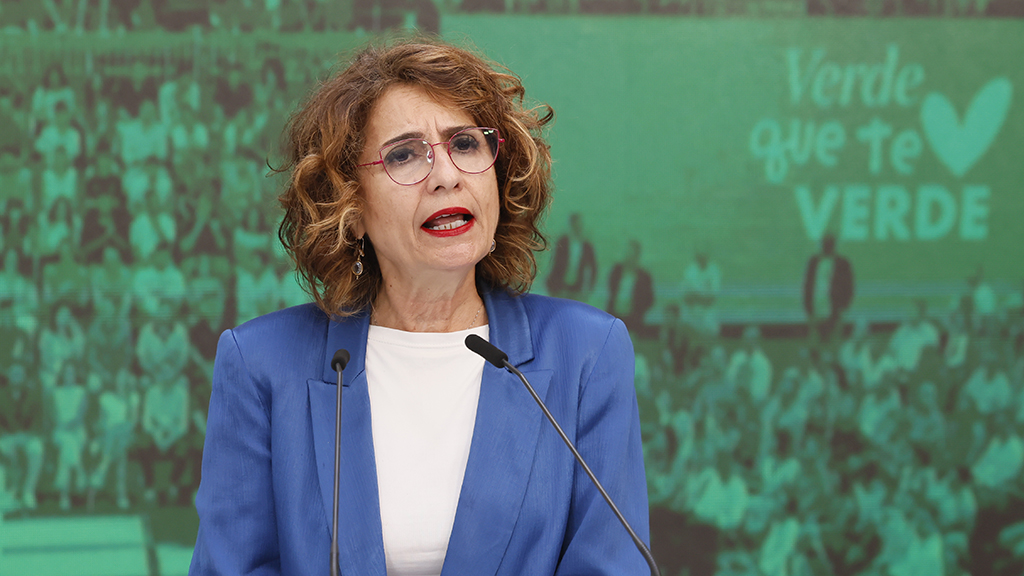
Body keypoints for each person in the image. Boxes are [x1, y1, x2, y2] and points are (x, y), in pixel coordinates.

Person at [190, 38, 650, 576]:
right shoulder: (261, 365)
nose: (446, 175)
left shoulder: (587, 354)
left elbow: (610, 564)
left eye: (466, 144)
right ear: (350, 208)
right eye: (404, 155)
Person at [802, 233, 854, 345]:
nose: (827, 246)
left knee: (834, 343)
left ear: (834, 245)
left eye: (830, 243)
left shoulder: (842, 263)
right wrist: (808, 307)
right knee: (814, 343)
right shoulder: (814, 262)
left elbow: (849, 287)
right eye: (825, 243)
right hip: (816, 309)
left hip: (834, 309)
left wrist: (843, 306)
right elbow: (807, 285)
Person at [546, 212, 597, 302]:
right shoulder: (563, 242)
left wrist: (588, 290)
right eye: (576, 226)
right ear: (571, 226)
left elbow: (593, 268)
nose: (578, 229)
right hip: (560, 288)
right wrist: (553, 288)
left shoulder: (587, 246)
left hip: (577, 290)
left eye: (580, 226)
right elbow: (555, 265)